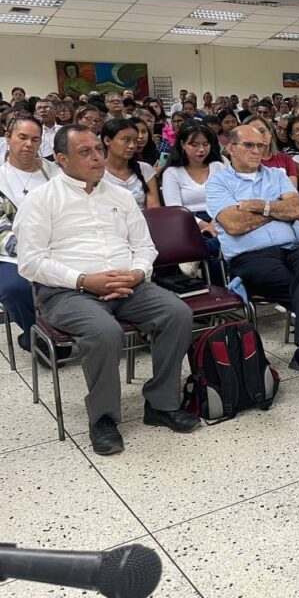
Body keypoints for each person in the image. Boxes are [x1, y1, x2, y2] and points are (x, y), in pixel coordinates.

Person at [15, 125, 198, 455]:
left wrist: (137, 273)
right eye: (85, 152)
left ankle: (161, 403)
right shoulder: (42, 200)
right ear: (61, 159)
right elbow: (30, 263)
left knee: (178, 314)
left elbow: (145, 246)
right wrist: (84, 280)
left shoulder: (120, 196)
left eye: (98, 149)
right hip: (67, 291)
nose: (97, 156)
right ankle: (103, 418)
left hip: (128, 284)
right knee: (104, 332)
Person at [207, 125, 299, 406]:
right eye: (249, 145)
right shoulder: (218, 182)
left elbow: (298, 210)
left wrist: (257, 207)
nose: (256, 151)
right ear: (231, 148)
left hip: (296, 248)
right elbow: (234, 225)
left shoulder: (275, 175)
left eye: (261, 146)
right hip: (252, 257)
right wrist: (276, 209)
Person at [0, 116, 61, 356]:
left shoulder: (56, 171)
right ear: (8, 138)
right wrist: (28, 248)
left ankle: (67, 329)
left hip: (59, 245)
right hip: (14, 252)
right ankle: (36, 334)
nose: (28, 144)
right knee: (14, 288)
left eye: (35, 139)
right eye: (22, 137)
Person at [161, 122, 225, 282]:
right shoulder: (172, 172)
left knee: (222, 240)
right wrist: (204, 225)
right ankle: (219, 291)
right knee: (216, 244)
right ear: (182, 144)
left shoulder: (218, 166)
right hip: (187, 220)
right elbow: (174, 209)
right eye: (194, 145)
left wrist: (214, 222)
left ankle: (194, 257)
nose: (201, 150)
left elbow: (228, 197)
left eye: (205, 144)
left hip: (219, 216)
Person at [102, 118, 159, 210]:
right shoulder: (96, 172)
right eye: (126, 140)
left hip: (143, 222)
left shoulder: (145, 169)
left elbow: (154, 209)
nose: (132, 146)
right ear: (107, 140)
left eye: (135, 141)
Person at [243, 115, 298, 189]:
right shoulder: (243, 162)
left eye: (262, 131)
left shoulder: (286, 159)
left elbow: (292, 191)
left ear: (270, 133)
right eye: (252, 132)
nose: (259, 135)